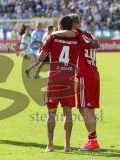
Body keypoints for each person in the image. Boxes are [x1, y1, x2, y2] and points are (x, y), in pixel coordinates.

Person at [52, 13, 100, 151]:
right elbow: (97, 44)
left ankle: (93, 141)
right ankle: (92, 139)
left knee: (84, 108)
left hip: (84, 75)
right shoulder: (89, 34)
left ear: (71, 25)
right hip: (94, 73)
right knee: (89, 108)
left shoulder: (74, 33)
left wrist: (54, 31)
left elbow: (64, 34)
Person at [38, 16, 80, 152]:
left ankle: (50, 145)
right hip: (69, 77)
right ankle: (67, 145)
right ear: (71, 26)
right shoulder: (76, 37)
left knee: (51, 113)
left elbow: (41, 57)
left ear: (60, 26)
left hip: (54, 78)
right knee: (68, 113)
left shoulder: (52, 37)